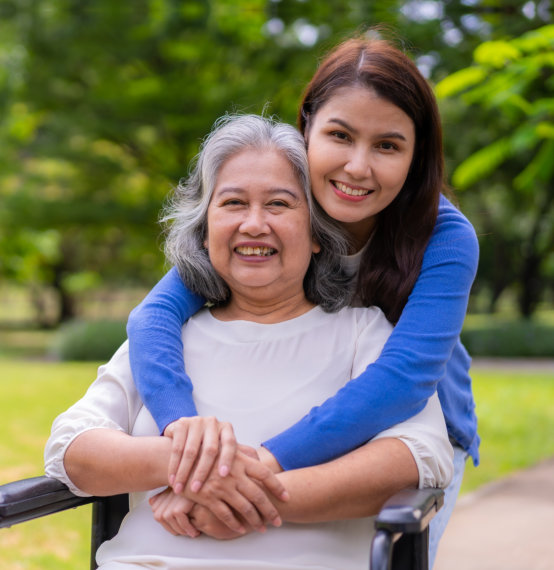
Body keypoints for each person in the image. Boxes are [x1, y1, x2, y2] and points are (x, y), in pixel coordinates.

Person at [126, 33, 480, 566]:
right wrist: (187, 441)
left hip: (411, 425)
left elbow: (403, 380)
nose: (358, 168)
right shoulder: (272, 213)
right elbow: (153, 316)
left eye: (387, 145)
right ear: (307, 127)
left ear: (416, 155)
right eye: (340, 135)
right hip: (297, 414)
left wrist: (250, 468)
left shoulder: (446, 238)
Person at [44, 114, 453, 570]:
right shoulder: (164, 343)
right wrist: (186, 459)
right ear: (204, 228)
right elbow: (70, 448)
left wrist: (244, 497)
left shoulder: (363, 333)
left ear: (318, 233)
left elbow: (418, 456)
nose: (254, 224)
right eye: (233, 203)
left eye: (279, 204)